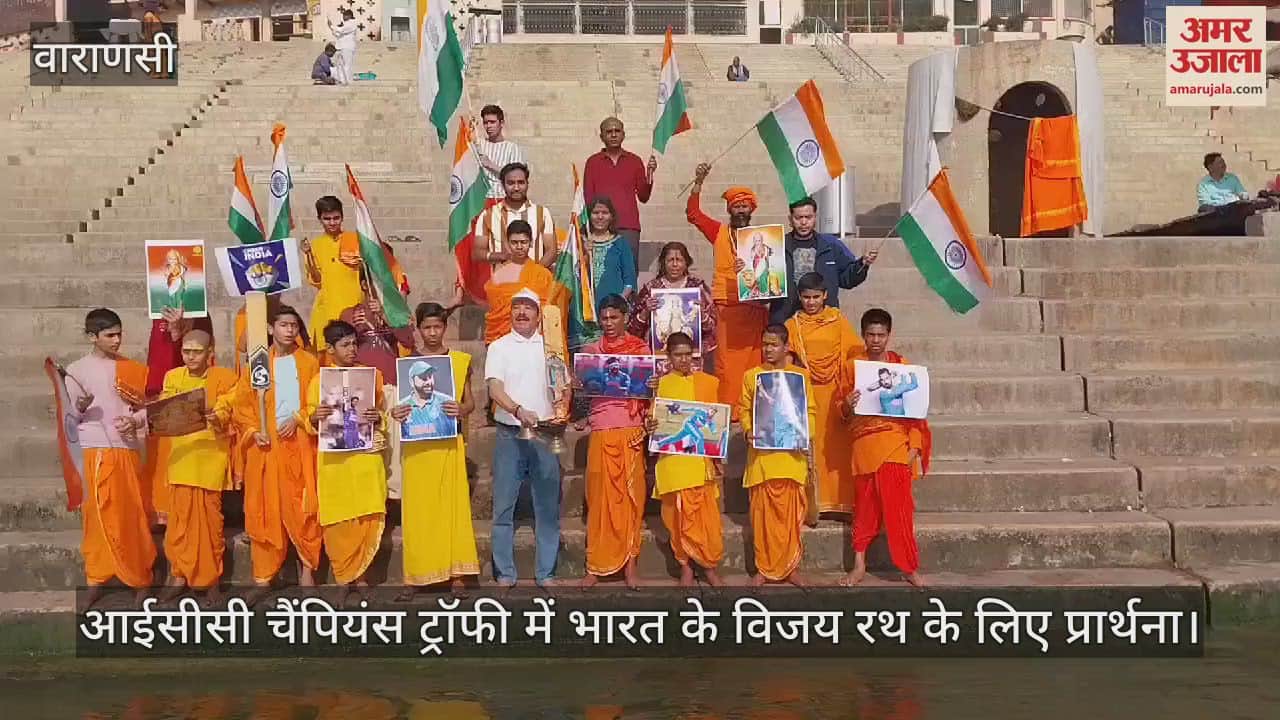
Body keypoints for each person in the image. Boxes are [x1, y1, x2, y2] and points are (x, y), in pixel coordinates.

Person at [230, 305, 323, 605]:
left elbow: (318, 401)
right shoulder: (257, 364)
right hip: (266, 449)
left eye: (294, 325)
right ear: (271, 329)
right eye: (283, 325)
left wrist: (298, 418)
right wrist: (253, 430)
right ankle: (264, 577)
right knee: (264, 510)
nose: (290, 330)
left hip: (298, 445)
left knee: (304, 508)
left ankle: (307, 569)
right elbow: (243, 407)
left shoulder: (309, 363)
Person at [67, 309, 156, 611]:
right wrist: (79, 407)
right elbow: (68, 422)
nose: (117, 340)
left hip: (125, 448)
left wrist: (136, 421)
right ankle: (96, 578)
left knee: (132, 513)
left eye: (119, 334)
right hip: (93, 448)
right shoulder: (76, 371)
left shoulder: (133, 369)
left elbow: (148, 409)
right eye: (109, 335)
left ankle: (141, 577)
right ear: (92, 336)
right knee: (97, 516)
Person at [840, 308, 932, 588]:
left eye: (881, 334)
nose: (876, 340)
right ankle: (858, 565)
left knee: (899, 510)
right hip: (864, 446)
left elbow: (915, 415)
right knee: (865, 508)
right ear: (863, 335)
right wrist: (847, 403)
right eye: (871, 334)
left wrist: (914, 449)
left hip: (894, 444)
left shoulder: (902, 366)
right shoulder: (852, 367)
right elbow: (839, 412)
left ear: (889, 335)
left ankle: (909, 567)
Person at [393, 303, 479, 596]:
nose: (432, 333)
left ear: (445, 328)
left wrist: (461, 409)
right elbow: (399, 405)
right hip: (417, 448)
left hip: (448, 443)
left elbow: (470, 403)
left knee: (452, 509)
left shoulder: (457, 361)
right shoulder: (407, 364)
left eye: (437, 327)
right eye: (427, 328)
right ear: (418, 329)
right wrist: (397, 413)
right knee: (418, 512)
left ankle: (456, 574)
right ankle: (416, 576)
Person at [156, 329, 239, 607]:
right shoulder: (173, 378)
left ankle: (211, 580)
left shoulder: (224, 378)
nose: (190, 357)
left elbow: (231, 410)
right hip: (182, 457)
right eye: (186, 351)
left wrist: (216, 416)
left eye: (197, 351)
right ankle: (178, 576)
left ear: (210, 352)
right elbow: (166, 409)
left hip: (210, 459)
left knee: (211, 525)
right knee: (179, 525)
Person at [306, 321, 387, 607]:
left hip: (365, 460)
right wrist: (315, 417)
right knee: (339, 522)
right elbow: (309, 418)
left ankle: (362, 577)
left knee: (367, 517)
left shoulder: (371, 377)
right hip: (335, 464)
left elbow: (384, 414)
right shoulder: (318, 382)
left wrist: (379, 418)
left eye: (354, 344)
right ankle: (343, 578)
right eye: (345, 345)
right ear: (330, 349)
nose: (352, 349)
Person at [485, 289, 562, 587]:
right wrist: (518, 410)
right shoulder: (499, 347)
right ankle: (504, 572)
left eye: (528, 308)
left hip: (544, 433)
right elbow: (494, 389)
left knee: (547, 507)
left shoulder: (552, 347)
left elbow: (561, 385)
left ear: (538, 313)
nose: (522, 313)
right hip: (510, 433)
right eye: (517, 307)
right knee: (503, 506)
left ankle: (546, 572)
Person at [577, 295, 651, 590]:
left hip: (631, 430)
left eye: (613, 318)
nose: (608, 323)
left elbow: (648, 395)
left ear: (625, 317)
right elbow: (584, 393)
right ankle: (596, 565)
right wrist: (578, 383)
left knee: (631, 502)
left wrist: (652, 385)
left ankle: (630, 565)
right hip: (602, 429)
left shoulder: (640, 350)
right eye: (604, 318)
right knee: (599, 500)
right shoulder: (591, 352)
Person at [686, 162, 768, 421]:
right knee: (725, 364)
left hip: (754, 306)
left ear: (751, 210)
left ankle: (752, 409)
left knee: (755, 360)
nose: (741, 210)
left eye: (745, 206)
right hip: (727, 306)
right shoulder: (719, 232)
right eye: (736, 206)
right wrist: (698, 182)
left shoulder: (762, 238)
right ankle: (730, 411)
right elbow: (693, 214)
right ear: (730, 209)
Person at [739, 324, 815, 587]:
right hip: (762, 459)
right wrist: (749, 430)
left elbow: (811, 412)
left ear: (786, 347)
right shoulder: (752, 376)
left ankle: (790, 568)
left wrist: (804, 435)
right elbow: (745, 408)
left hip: (791, 458)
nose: (768, 349)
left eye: (773, 345)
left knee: (790, 520)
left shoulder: (800, 377)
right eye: (765, 344)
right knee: (762, 520)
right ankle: (764, 568)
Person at [646, 331, 724, 587]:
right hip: (672, 461)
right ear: (668, 357)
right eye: (677, 355)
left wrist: (717, 454)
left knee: (705, 518)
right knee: (676, 519)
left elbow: (715, 424)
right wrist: (651, 425)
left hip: (699, 462)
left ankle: (709, 566)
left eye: (686, 355)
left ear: (694, 355)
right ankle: (685, 566)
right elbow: (651, 419)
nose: (683, 360)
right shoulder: (660, 384)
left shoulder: (708, 383)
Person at [784, 272, 863, 518]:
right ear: (799, 297)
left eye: (816, 297)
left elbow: (855, 354)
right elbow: (787, 363)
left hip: (836, 396)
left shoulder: (838, 321)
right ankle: (813, 507)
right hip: (807, 398)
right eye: (806, 297)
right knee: (813, 451)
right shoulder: (792, 325)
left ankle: (842, 505)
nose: (811, 302)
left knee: (837, 451)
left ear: (826, 296)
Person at [339, 277, 417, 501]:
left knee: (392, 446)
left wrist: (386, 315)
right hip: (361, 386)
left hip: (391, 385)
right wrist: (355, 326)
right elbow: (341, 344)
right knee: (364, 445)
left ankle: (392, 498)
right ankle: (366, 496)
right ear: (363, 285)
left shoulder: (397, 311)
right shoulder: (349, 313)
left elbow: (409, 342)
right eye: (374, 283)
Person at [142, 306, 213, 527]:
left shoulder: (199, 311)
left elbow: (202, 356)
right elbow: (156, 358)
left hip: (191, 395)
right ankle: (163, 511)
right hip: (164, 392)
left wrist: (180, 333)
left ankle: (187, 514)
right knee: (162, 457)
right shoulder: (159, 312)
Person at [769, 197, 877, 324]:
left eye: (808, 217)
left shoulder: (831, 245)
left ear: (815, 217)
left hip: (824, 322)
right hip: (786, 320)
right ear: (790, 219)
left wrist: (862, 264)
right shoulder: (776, 246)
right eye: (798, 218)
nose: (803, 222)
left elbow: (847, 279)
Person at [628, 241, 717, 372]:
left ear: (686, 263)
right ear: (663, 263)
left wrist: (702, 315)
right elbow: (632, 330)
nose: (675, 265)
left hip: (691, 359)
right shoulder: (651, 288)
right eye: (670, 260)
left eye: (679, 260)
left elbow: (713, 327)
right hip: (660, 359)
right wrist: (645, 312)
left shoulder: (698, 287)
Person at [582, 117, 656, 269]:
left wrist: (650, 174)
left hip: (628, 227)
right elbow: (588, 197)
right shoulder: (593, 162)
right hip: (601, 227)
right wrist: (588, 227)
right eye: (609, 132)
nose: (614, 135)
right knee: (602, 270)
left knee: (629, 271)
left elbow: (643, 197)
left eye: (617, 131)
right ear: (602, 136)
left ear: (623, 134)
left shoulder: (634, 161)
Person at [482, 219, 564, 345]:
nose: (519, 247)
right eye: (514, 243)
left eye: (523, 242)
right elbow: (495, 318)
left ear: (531, 243)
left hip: (536, 342)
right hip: (503, 342)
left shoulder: (542, 275)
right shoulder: (498, 277)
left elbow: (549, 313)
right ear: (508, 244)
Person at [570, 197, 638, 350]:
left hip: (612, 313)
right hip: (585, 312)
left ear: (611, 216)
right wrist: (585, 255)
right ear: (588, 216)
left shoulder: (621, 243)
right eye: (595, 212)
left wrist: (617, 304)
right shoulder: (578, 243)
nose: (600, 217)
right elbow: (572, 275)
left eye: (604, 213)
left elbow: (630, 280)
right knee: (588, 359)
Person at [303, 196, 363, 353]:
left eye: (336, 218)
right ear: (320, 219)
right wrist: (308, 255)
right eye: (327, 219)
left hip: (354, 307)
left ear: (342, 217)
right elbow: (317, 281)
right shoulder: (316, 245)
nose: (332, 222)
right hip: (327, 309)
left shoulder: (355, 240)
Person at [472, 163, 558, 270]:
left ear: (527, 184)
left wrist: (533, 273)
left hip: (534, 283)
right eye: (511, 183)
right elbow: (477, 253)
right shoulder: (488, 215)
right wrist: (500, 256)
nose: (516, 188)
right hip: (502, 283)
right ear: (503, 185)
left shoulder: (542, 213)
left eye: (521, 182)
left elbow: (552, 251)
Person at [472, 105, 526, 201]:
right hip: (480, 199)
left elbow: (517, 177)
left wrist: (491, 165)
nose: (488, 126)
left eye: (492, 122)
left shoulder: (512, 148)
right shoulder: (479, 145)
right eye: (485, 123)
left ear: (501, 123)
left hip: (503, 198)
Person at [400, 360, 455, 438]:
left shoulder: (447, 403)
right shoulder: (402, 407)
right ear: (411, 382)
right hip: (415, 449)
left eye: (430, 377)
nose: (428, 382)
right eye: (423, 378)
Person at [329, 9, 358, 85]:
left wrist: (332, 26)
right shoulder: (346, 24)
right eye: (343, 15)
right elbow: (338, 34)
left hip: (347, 47)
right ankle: (341, 79)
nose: (343, 17)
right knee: (340, 65)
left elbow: (341, 30)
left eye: (345, 15)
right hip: (341, 47)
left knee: (347, 64)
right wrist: (331, 28)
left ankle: (347, 80)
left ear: (349, 16)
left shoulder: (352, 23)